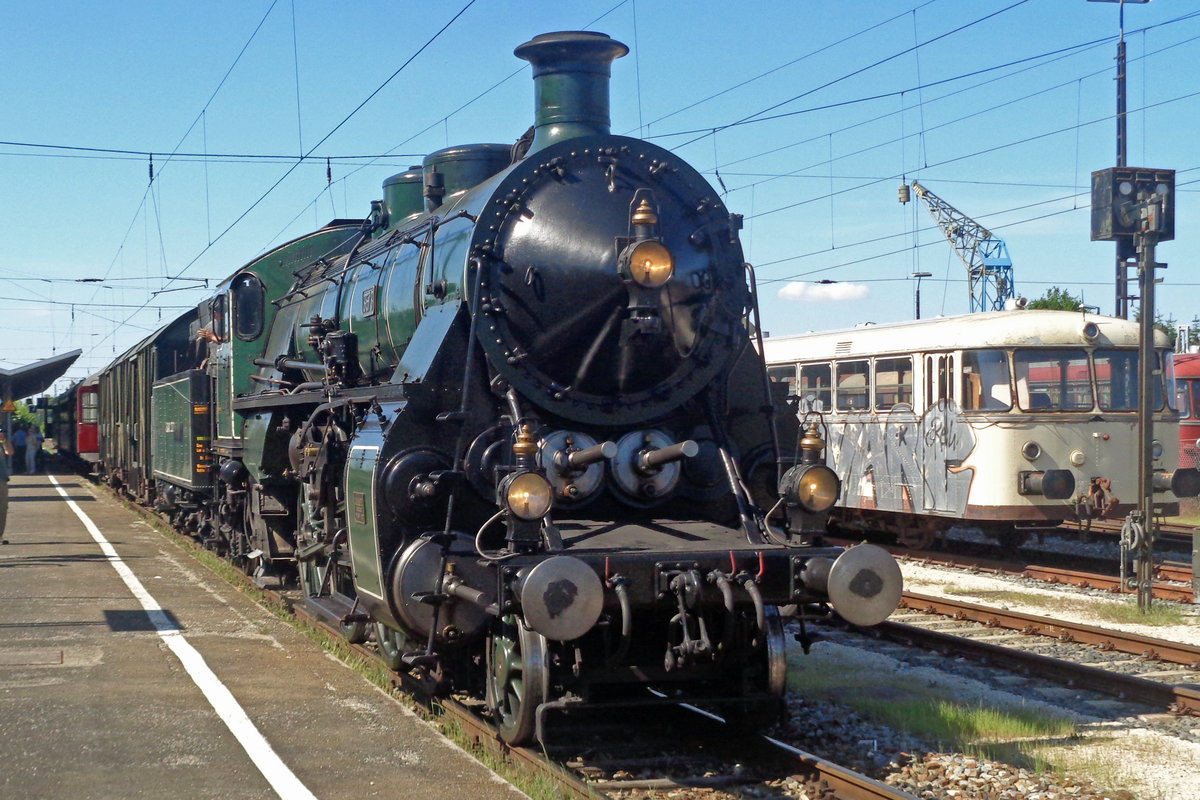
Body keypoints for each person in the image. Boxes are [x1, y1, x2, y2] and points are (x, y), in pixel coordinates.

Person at [0, 429, 12, 544]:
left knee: (2, 509)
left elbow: (10, 452)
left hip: (1, 479)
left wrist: (4, 441)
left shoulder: (2, 442)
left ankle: (0, 536)